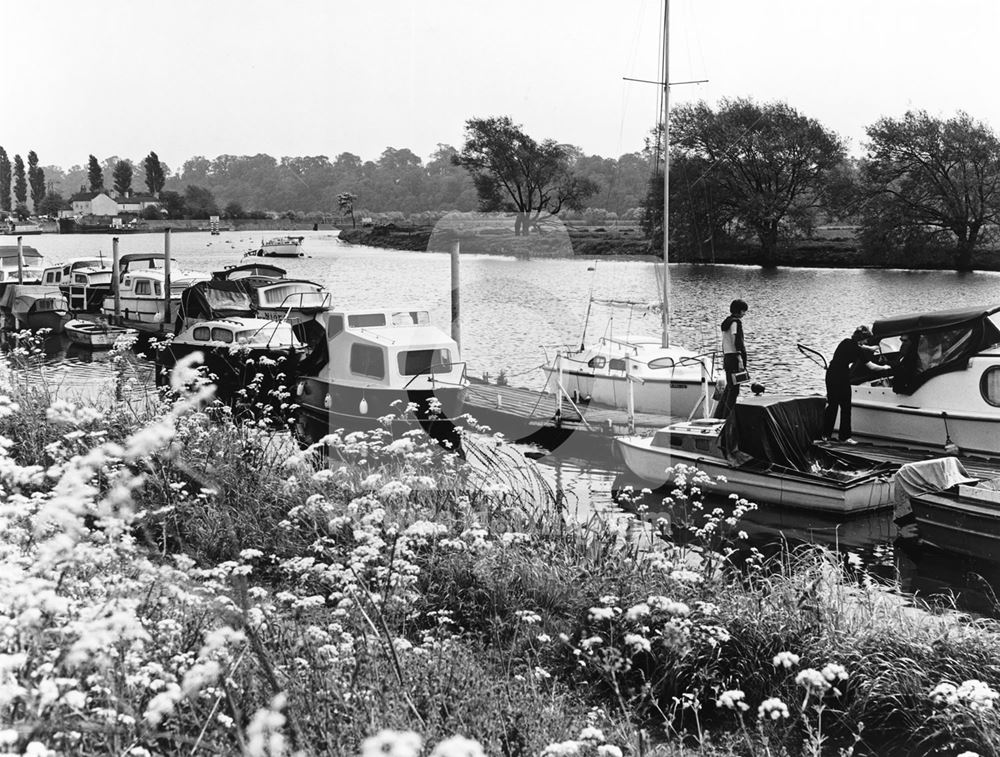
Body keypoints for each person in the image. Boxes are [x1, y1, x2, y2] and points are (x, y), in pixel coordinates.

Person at [821, 325, 891, 443]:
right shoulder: (856, 349)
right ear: (861, 339)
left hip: (842, 376)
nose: (866, 341)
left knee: (846, 405)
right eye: (866, 339)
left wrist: (870, 348)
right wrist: (884, 367)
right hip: (834, 376)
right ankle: (825, 435)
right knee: (834, 405)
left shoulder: (846, 342)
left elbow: (859, 346)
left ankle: (844, 437)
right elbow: (871, 367)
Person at [713, 298, 749, 419]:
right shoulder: (735, 323)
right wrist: (739, 356)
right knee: (734, 390)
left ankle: (719, 416)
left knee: (729, 387)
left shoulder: (726, 322)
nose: (744, 314)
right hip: (735, 358)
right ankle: (727, 418)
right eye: (744, 311)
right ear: (739, 311)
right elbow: (736, 339)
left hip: (728, 357)